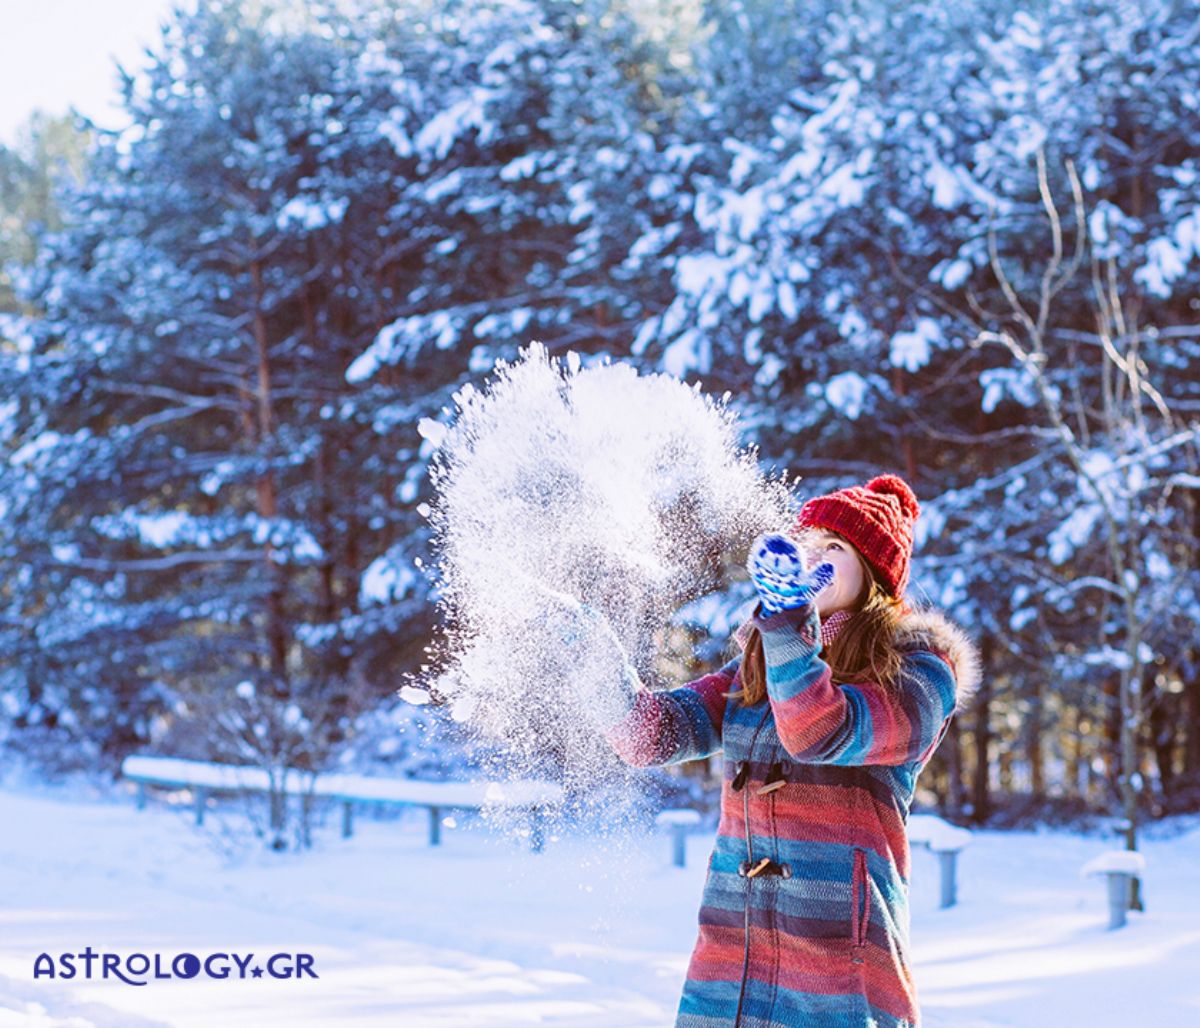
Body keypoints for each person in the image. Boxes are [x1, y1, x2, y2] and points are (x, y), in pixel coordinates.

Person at [600, 474, 980, 1028]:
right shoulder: (760, 662)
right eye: (809, 544)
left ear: (875, 571)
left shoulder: (918, 671)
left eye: (836, 548)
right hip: (732, 964)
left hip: (837, 972)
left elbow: (820, 731)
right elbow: (653, 734)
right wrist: (599, 673)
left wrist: (786, 628)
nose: (815, 558)